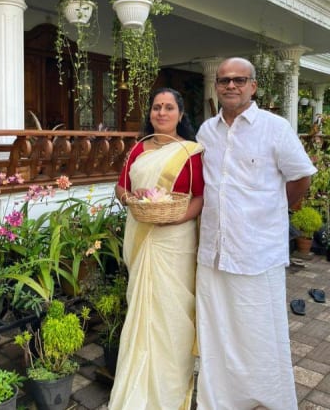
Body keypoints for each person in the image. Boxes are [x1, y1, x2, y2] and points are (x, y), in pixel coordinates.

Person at [195, 57, 316, 409]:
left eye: (239, 79)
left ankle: (268, 397)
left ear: (253, 86)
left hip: (257, 251)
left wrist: (274, 209)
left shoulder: (275, 128)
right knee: (217, 332)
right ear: (216, 86)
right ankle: (222, 398)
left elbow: (301, 177)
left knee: (260, 332)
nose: (230, 85)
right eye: (224, 80)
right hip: (214, 252)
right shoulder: (206, 132)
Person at [110, 88, 205, 409]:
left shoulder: (191, 152)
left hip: (176, 241)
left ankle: (169, 391)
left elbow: (199, 198)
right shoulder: (139, 148)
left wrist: (176, 218)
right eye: (156, 107)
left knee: (173, 314)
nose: (161, 113)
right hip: (142, 235)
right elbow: (121, 186)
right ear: (150, 113)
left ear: (181, 114)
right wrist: (130, 198)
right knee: (142, 311)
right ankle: (138, 387)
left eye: (168, 107)